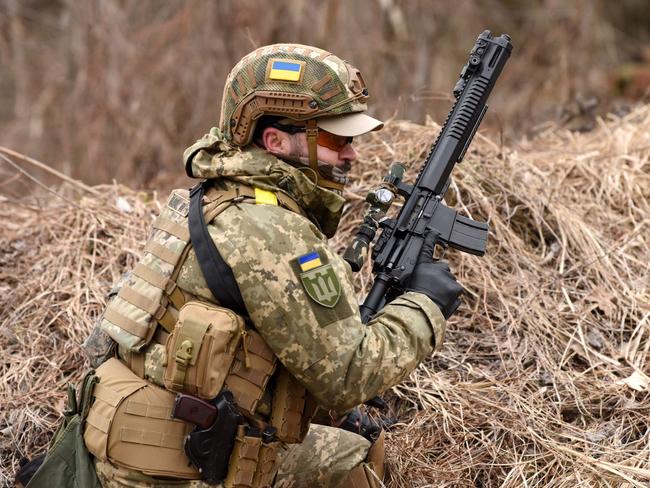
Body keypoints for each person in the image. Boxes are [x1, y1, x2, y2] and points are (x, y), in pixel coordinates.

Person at [23, 43, 462, 488]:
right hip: (177, 472)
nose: (350, 155)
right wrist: (424, 305)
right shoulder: (273, 230)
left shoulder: (209, 198)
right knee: (357, 462)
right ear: (274, 141)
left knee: (338, 440)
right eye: (335, 140)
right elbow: (348, 376)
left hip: (130, 449)